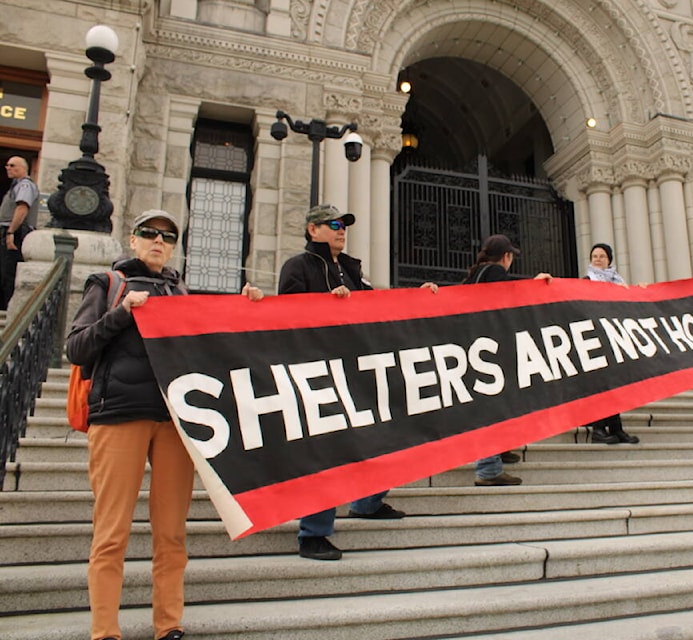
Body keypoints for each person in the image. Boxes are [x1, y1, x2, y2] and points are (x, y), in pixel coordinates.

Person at [66, 210, 264, 640]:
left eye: (168, 236)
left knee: (172, 532)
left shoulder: (179, 291)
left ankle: (169, 624)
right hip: (118, 415)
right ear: (132, 240)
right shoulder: (107, 284)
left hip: (175, 422)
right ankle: (104, 630)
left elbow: (211, 343)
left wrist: (246, 310)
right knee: (111, 532)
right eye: (149, 233)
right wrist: (122, 313)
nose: (158, 241)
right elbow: (77, 347)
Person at [279, 204, 434, 561]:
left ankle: (367, 501)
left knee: (384, 433)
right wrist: (324, 305)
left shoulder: (349, 270)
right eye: (333, 224)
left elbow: (380, 304)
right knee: (328, 453)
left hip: (359, 367)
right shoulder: (298, 266)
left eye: (344, 225)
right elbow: (284, 317)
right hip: (319, 370)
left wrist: (417, 296)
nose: (341, 230)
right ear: (312, 229)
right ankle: (313, 533)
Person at [463, 234, 552, 486]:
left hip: (477, 347)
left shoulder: (474, 274)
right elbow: (511, 299)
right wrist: (534, 285)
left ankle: (498, 450)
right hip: (492, 348)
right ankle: (488, 468)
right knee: (494, 406)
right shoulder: (494, 272)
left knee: (497, 402)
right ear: (506, 256)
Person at [583, 243, 639, 445]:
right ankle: (598, 428)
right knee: (599, 385)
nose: (597, 259)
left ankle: (616, 428)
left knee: (614, 385)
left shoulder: (618, 282)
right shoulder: (586, 281)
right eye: (594, 256)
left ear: (609, 260)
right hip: (593, 339)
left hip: (613, 339)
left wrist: (638, 293)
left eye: (602, 256)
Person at [0, 156, 40, 310]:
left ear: (23, 168)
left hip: (16, 234)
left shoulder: (25, 185)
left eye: (12, 165)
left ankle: (10, 309)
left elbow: (22, 208)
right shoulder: (15, 186)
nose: (8, 168)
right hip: (10, 232)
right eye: (7, 165)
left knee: (10, 272)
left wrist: (11, 232)